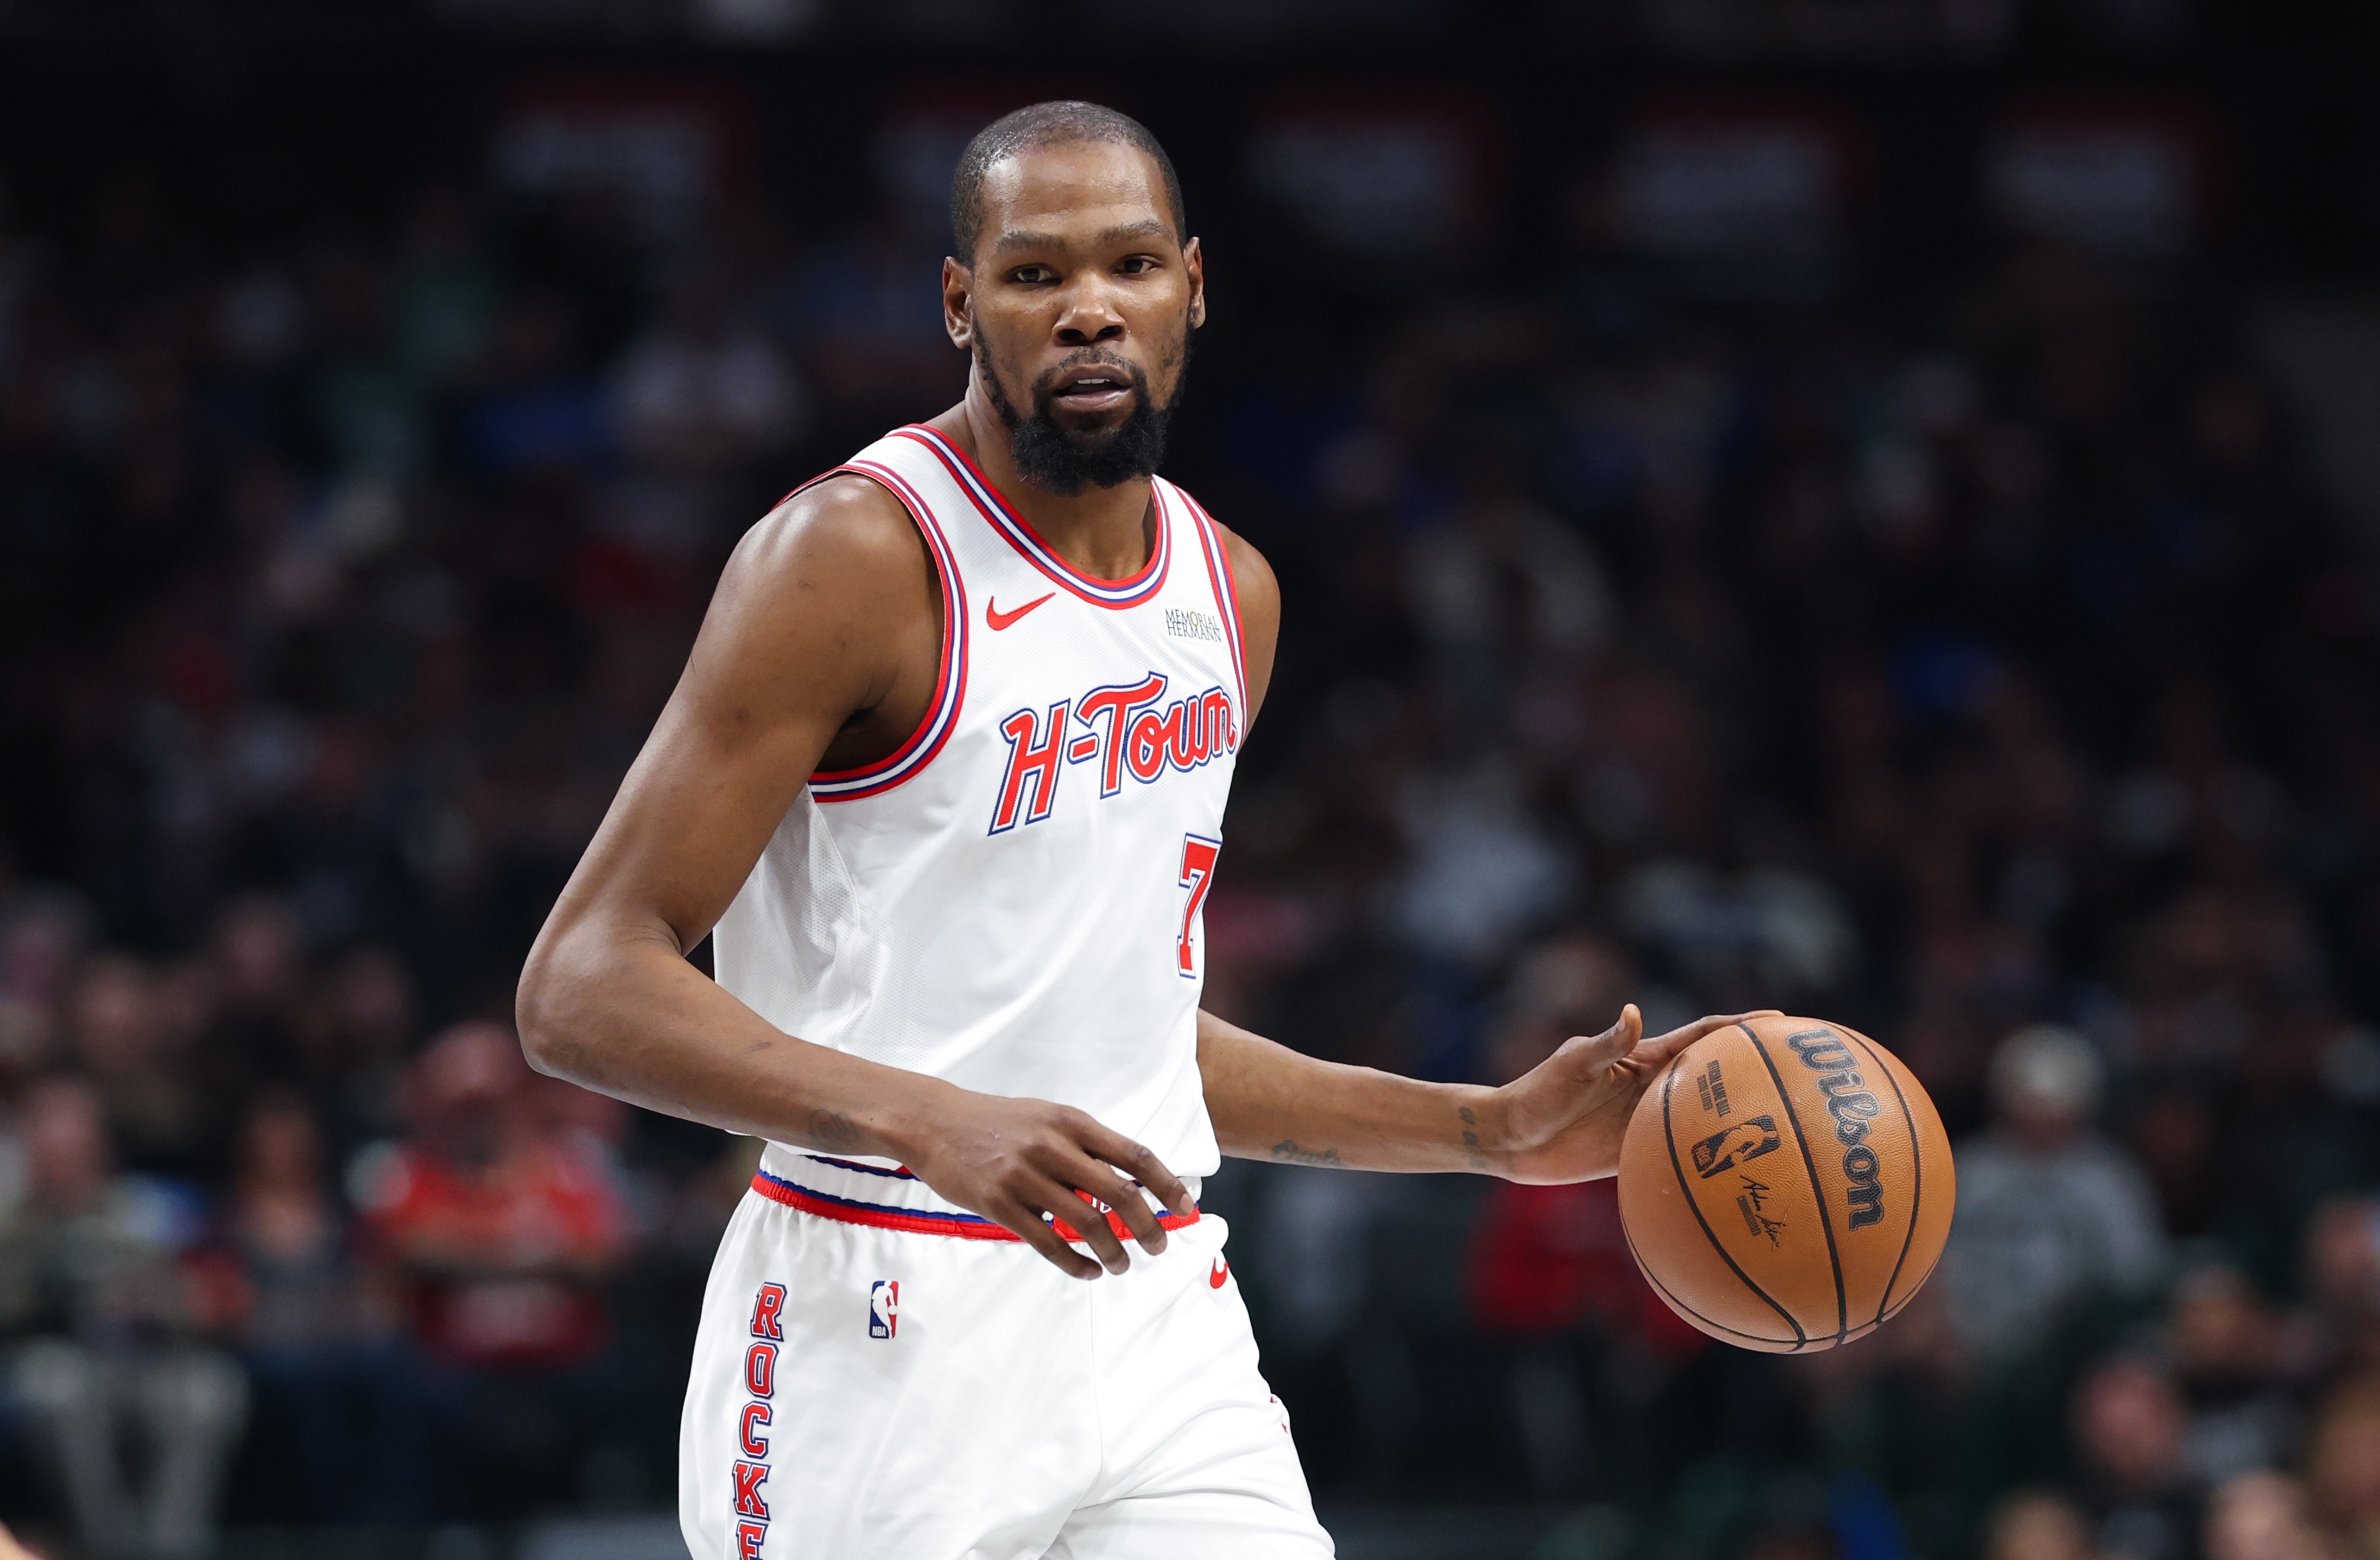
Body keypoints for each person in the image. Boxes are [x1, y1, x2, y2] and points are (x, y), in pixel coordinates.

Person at [517, 100, 1767, 1559]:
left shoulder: (1228, 594)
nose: (1088, 310)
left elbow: (1126, 1029)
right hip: (880, 1308)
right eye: (1034, 273)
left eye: (1128, 265)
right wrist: (931, 1115)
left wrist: (1483, 1130)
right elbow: (578, 985)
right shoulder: (852, 556)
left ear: (1191, 285)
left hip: (1154, 1298)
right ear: (959, 302)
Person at [1937, 1024, 2169, 1361]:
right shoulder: (1965, 1172)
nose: (2041, 1121)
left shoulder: (2110, 1181)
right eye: (2029, 1106)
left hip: (2077, 1358)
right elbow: (1925, 1271)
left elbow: (2137, 1278)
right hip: (1966, 1351)